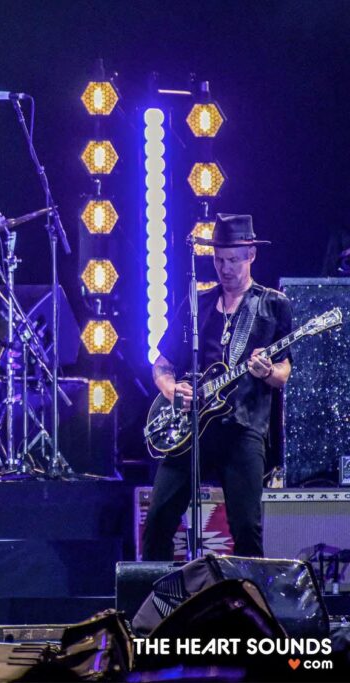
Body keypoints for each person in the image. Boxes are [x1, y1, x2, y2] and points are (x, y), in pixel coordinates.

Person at [142, 214, 292, 560]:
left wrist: (268, 371)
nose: (226, 268)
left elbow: (284, 372)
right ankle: (158, 593)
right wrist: (171, 389)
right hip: (192, 429)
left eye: (234, 260)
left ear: (251, 254)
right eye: (219, 259)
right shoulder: (198, 304)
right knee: (158, 518)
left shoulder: (272, 304)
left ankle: (246, 594)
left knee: (246, 529)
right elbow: (162, 364)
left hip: (243, 428)